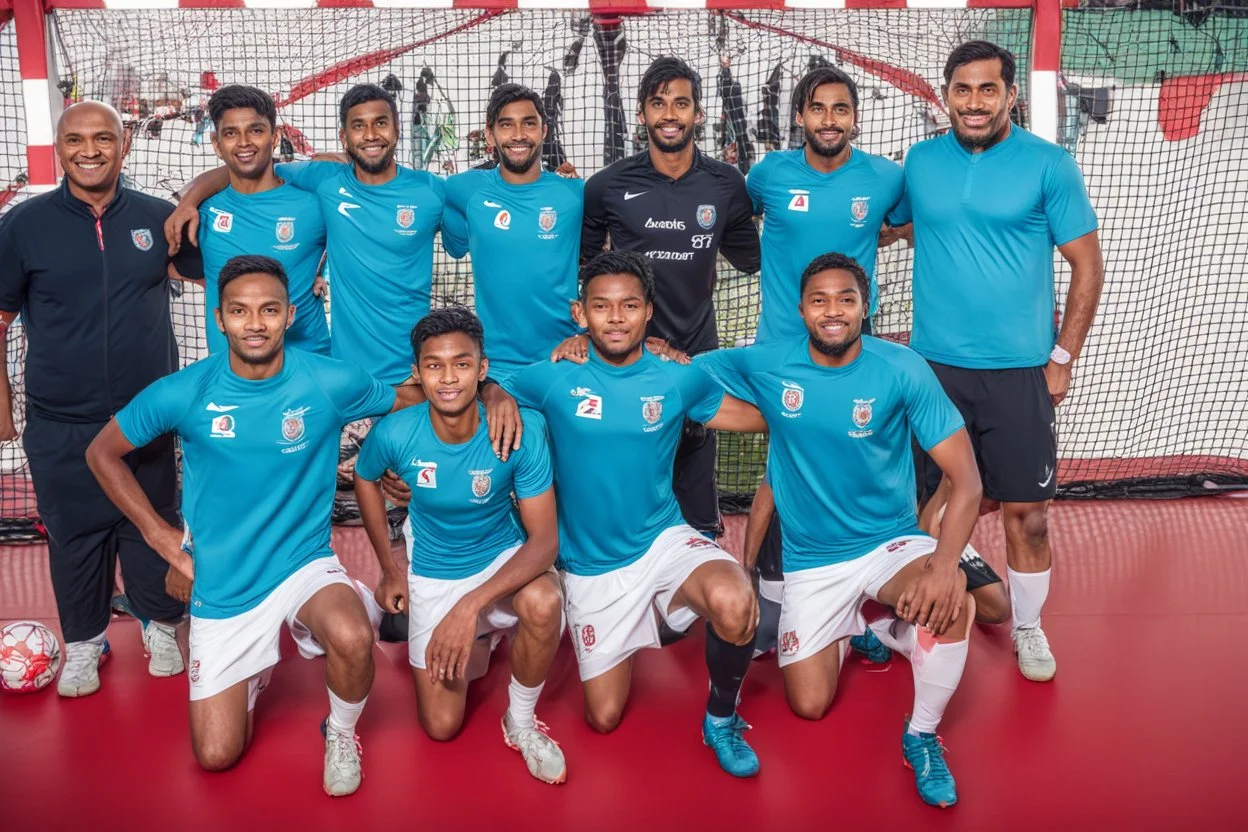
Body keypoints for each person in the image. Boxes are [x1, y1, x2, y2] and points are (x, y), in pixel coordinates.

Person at [86, 255, 421, 796]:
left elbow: (413, 398)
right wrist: (162, 537)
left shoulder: (328, 380)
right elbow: (102, 453)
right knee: (216, 756)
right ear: (219, 319)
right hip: (224, 583)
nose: (255, 323)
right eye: (240, 311)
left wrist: (484, 395)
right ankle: (254, 664)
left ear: (290, 315)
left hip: (302, 561)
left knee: (354, 637)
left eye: (268, 310)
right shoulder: (186, 390)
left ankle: (339, 730)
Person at [697, 253, 982, 808]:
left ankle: (921, 736)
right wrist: (604, 349)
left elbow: (966, 480)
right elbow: (680, 369)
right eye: (820, 300)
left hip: (889, 542)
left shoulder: (902, 368)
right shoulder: (766, 362)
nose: (834, 311)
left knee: (958, 604)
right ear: (801, 310)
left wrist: (945, 565)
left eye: (846, 299)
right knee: (809, 703)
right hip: (812, 561)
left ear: (865, 306)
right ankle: (870, 625)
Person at [888, 41, 1104, 682]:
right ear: (946, 94)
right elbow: (894, 225)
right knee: (925, 506)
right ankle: (913, 613)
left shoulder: (1048, 164)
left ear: (1012, 95)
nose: (974, 102)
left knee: (1027, 515)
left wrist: (1062, 356)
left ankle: (1029, 630)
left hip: (1018, 371)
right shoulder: (921, 161)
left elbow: (1087, 265)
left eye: (988, 90)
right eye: (962, 90)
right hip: (933, 370)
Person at [506, 251, 767, 778]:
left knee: (735, 599)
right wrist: (493, 394)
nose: (617, 317)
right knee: (603, 717)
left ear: (649, 312)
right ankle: (657, 620)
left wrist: (819, 414)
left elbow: (756, 418)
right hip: (591, 566)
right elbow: (492, 389)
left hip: (661, 540)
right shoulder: (556, 374)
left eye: (629, 305)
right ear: (580, 314)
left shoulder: (676, 377)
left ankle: (721, 718)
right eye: (602, 307)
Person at [0, 101, 202, 697]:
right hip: (60, 417)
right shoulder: (23, 225)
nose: (89, 151)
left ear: (125, 145)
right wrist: (3, 407)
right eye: (75, 140)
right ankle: (85, 642)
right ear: (60, 148)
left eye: (103, 139)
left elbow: (220, 270)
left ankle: (160, 625)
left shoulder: (158, 218)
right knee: (74, 533)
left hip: (146, 417)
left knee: (152, 525)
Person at [354, 308, 566, 784]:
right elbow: (365, 480)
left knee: (545, 600)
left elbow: (545, 542)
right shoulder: (394, 433)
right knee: (441, 727)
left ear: (482, 368)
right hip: (434, 566)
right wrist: (389, 569)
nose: (448, 378)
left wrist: (469, 606)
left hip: (501, 554)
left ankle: (522, 719)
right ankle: (480, 636)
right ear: (417, 373)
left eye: (462, 363)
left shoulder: (519, 429)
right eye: (434, 365)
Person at [574, 56, 761, 543]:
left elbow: (754, 257)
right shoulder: (606, 187)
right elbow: (585, 270)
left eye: (681, 103)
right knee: (631, 464)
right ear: (642, 113)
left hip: (699, 352)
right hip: (628, 356)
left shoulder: (726, 184)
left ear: (699, 113)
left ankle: (700, 554)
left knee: (695, 469)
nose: (670, 114)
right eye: (658, 104)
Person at [441, 84, 583, 383]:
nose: (519, 135)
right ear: (490, 134)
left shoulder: (574, 193)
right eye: (507, 125)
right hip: (497, 369)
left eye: (528, 123)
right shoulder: (462, 189)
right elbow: (454, 245)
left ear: (544, 130)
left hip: (567, 359)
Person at [188, 84, 331, 355]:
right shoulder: (200, 212)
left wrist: (324, 272)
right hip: (230, 377)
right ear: (217, 145)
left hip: (309, 370)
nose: (244, 142)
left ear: (274, 137)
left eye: (255, 130)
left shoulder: (313, 205)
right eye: (231, 133)